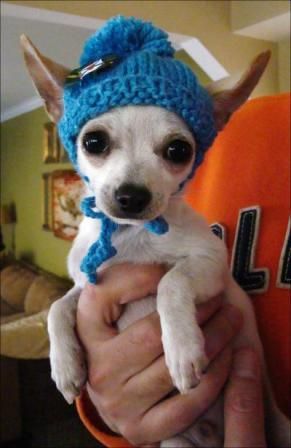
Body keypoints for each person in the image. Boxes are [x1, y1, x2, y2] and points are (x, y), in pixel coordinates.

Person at [75, 93, 290, 447]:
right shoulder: (236, 125)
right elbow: (110, 391)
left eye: (174, 152)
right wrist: (108, 406)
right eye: (98, 143)